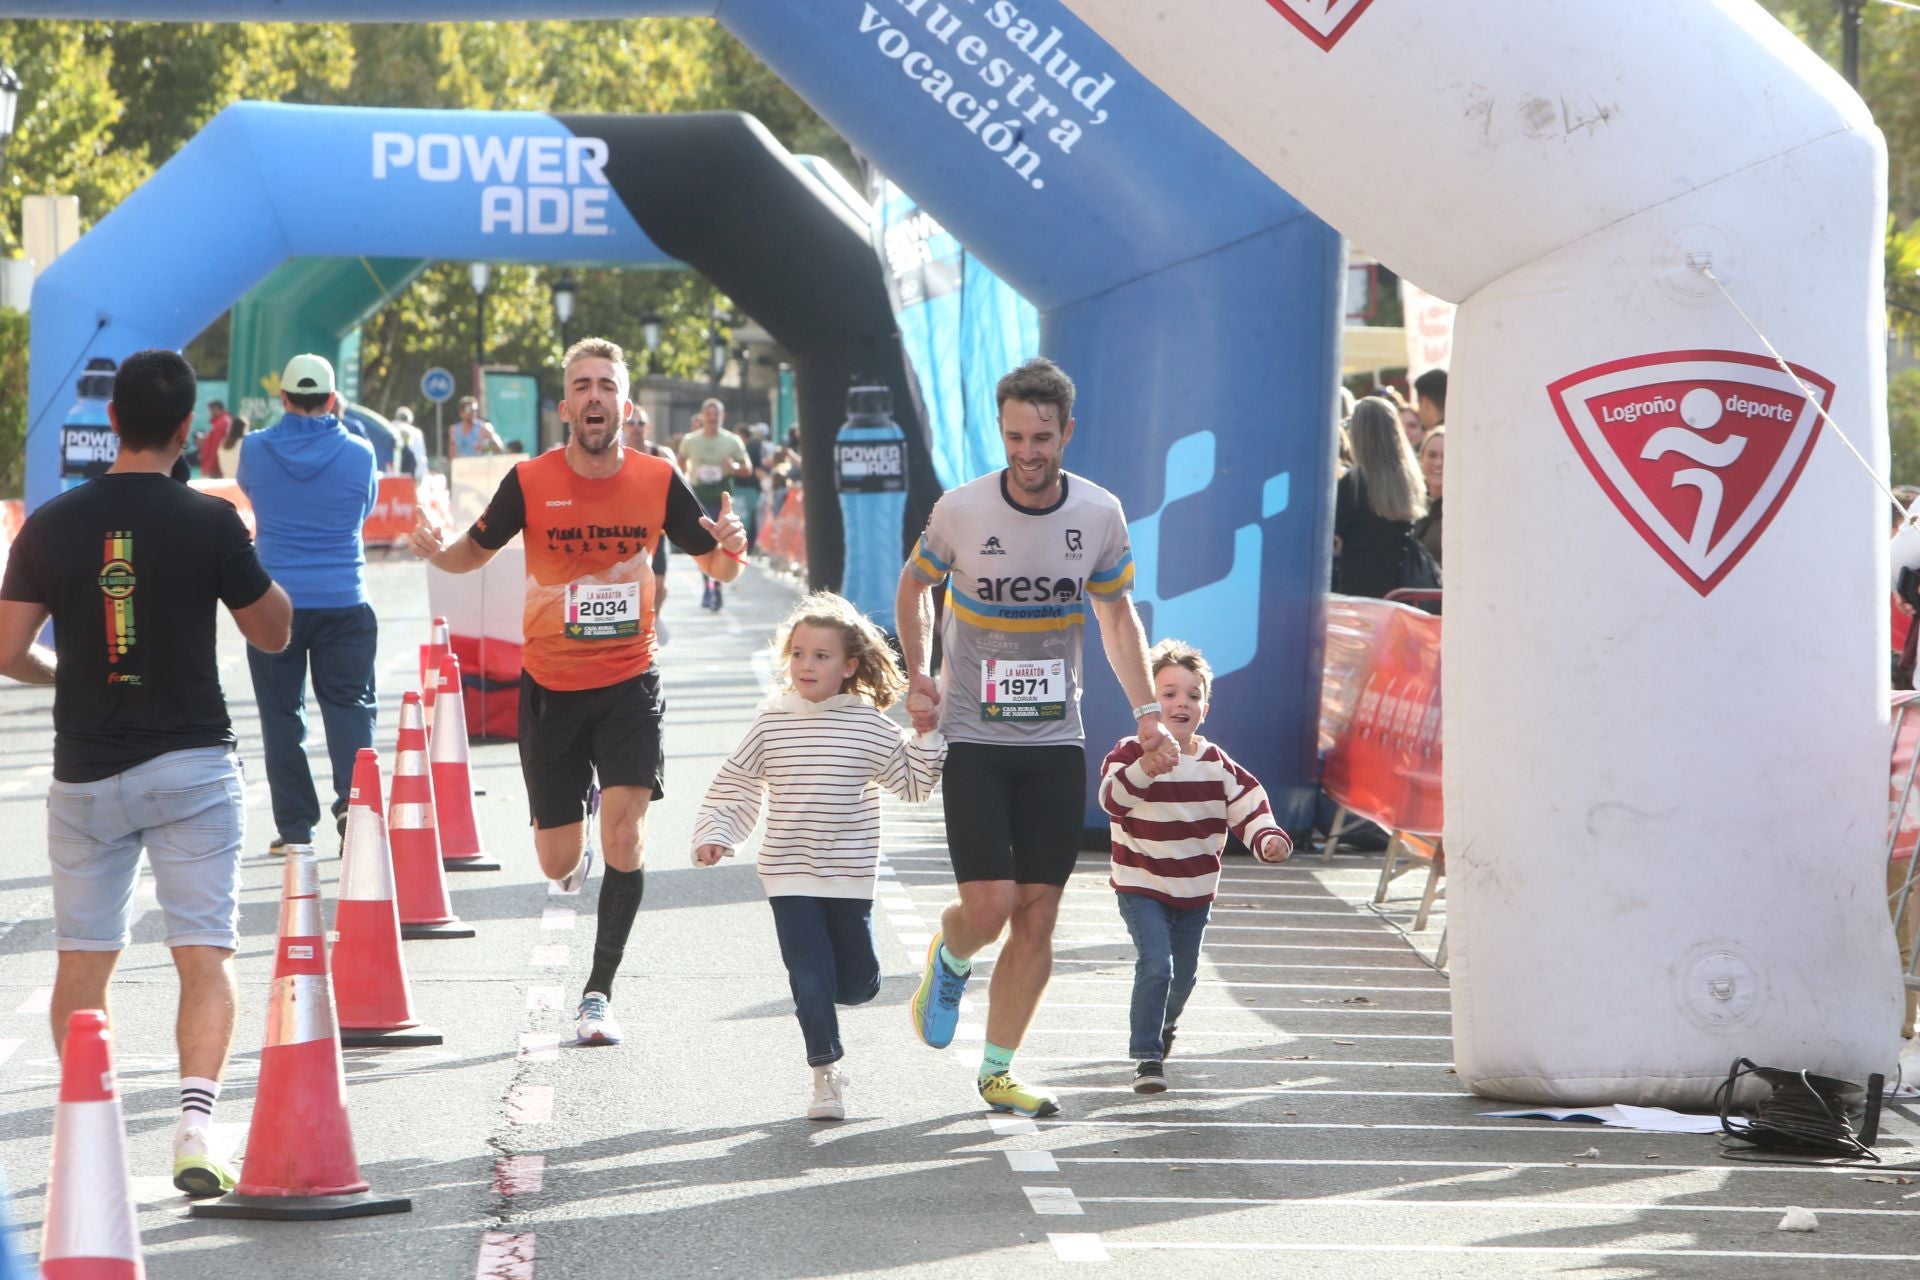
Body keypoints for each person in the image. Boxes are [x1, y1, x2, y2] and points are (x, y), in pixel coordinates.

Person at [0, 349, 292, 1197]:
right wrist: (253, 557)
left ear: (113, 423)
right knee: (204, 954)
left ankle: (93, 1132)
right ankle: (196, 1128)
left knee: (83, 962)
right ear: (188, 429)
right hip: (191, 766)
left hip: (85, 774)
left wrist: (74, 673)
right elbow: (272, 631)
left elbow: (8, 651)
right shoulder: (208, 521)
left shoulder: (49, 524)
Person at [410, 337, 748, 1046]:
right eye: (582, 386)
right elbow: (474, 551)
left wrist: (733, 548)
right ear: (566, 406)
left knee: (626, 832)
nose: (594, 397)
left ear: (625, 406)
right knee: (559, 862)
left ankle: (598, 992)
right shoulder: (530, 480)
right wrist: (437, 548)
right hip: (551, 689)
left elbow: (718, 562)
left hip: (629, 681)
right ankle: (579, 826)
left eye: (606, 386)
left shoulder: (658, 479)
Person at [896, 356, 1179, 1119]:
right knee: (987, 909)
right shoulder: (960, 510)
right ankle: (950, 957)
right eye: (1016, 436)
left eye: (1043, 438)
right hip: (975, 738)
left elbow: (1118, 617)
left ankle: (997, 1072)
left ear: (1067, 433)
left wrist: (1148, 711)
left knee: (1039, 915)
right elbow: (913, 585)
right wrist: (919, 671)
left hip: (1057, 740)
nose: (1028, 452)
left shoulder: (1099, 514)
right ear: (1002, 430)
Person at [692, 592, 945, 1119]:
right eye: (799, 653)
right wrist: (715, 833)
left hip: (848, 874)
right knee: (808, 974)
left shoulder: (867, 724)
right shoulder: (772, 721)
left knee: (857, 985)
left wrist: (926, 736)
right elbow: (737, 783)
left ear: (850, 666)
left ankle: (851, 997)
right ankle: (825, 1075)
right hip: (787, 871)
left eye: (821, 656)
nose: (807, 665)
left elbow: (914, 785)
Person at [1098, 639, 1291, 1094]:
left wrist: (1268, 838)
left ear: (1205, 707)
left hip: (1195, 890)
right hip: (1140, 884)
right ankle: (1147, 1057)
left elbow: (1249, 805)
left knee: (1183, 976)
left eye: (1192, 695)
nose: (1180, 702)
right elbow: (1111, 800)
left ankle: (1164, 1026)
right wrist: (1146, 767)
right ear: (1148, 704)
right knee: (1157, 965)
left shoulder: (1215, 763)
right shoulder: (1129, 753)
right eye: (1168, 693)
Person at [238, 353, 381, 855]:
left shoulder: (254, 450)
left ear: (283, 398)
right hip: (344, 596)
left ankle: (296, 828)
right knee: (349, 707)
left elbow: (250, 494)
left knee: (281, 714)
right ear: (333, 399)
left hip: (274, 602)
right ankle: (356, 806)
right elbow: (363, 510)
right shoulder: (361, 454)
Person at [1332, 396, 1432, 598]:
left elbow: (1327, 530)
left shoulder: (1355, 484)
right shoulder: (1409, 479)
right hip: (1399, 591)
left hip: (1359, 593)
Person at [677, 399, 753, 611]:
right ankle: (709, 588)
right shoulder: (690, 441)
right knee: (704, 547)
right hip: (698, 499)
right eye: (708, 414)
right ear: (702, 416)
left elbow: (747, 468)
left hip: (722, 500)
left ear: (722, 417)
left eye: (716, 415)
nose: (712, 418)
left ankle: (716, 589)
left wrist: (734, 467)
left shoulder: (732, 441)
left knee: (722, 546)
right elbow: (679, 465)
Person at [623, 406, 677, 627]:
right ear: (624, 427)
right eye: (631, 423)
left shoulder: (661, 455)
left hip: (657, 529)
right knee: (630, 585)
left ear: (648, 428)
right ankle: (638, 626)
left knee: (660, 585)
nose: (636, 428)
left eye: (641, 423)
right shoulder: (613, 456)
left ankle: (653, 618)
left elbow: (679, 489)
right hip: (626, 530)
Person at [1414, 427, 1444, 566]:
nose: (1438, 463)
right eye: (1432, 455)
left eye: (1446, 456)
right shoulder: (1409, 505)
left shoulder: (1463, 512)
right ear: (1421, 459)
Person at [198, 399, 231, 478]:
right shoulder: (220, 422)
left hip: (216, 469)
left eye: (211, 410)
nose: (210, 413)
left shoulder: (222, 423)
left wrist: (209, 468)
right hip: (216, 467)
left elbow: (216, 447)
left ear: (216, 409)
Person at [1414, 367, 1448, 435]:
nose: (1418, 412)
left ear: (1425, 402)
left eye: (1418, 403)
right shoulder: (1461, 430)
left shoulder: (1436, 439)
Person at [215, 414, 248, 482]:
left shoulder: (222, 444)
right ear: (244, 428)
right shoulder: (244, 444)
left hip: (226, 481)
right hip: (240, 483)